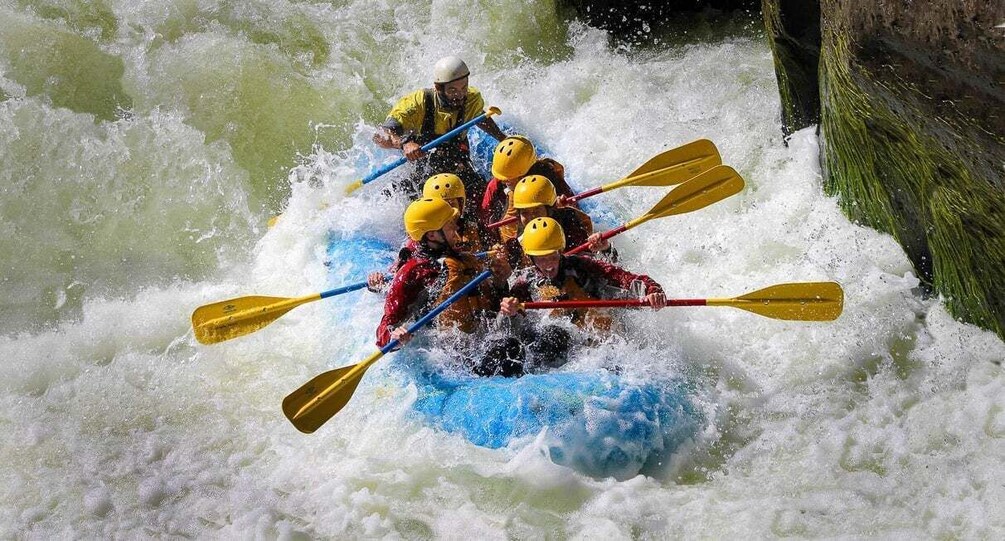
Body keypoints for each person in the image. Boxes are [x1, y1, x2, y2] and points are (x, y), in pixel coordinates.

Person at [375, 197, 524, 376]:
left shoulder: (465, 258)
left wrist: (501, 282)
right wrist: (395, 336)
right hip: (447, 355)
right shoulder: (411, 273)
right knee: (507, 350)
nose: (456, 229)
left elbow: (490, 305)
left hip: (480, 338)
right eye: (449, 225)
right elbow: (385, 327)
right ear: (432, 235)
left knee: (517, 346)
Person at [500, 218, 666, 336]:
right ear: (531, 258)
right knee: (552, 335)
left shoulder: (583, 266)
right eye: (541, 258)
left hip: (598, 338)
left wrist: (652, 291)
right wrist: (509, 313)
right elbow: (505, 329)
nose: (548, 264)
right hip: (561, 345)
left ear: (560, 250)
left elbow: (628, 278)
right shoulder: (524, 282)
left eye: (552, 256)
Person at [372, 56, 507, 199]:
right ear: (438, 88)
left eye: (463, 88)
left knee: (481, 196)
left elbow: (479, 117)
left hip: (457, 163)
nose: (460, 95)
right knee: (394, 195)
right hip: (424, 169)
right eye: (453, 90)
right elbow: (380, 136)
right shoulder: (416, 103)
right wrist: (405, 144)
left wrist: (502, 138)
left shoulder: (472, 98)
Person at [367, 173, 489, 293]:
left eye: (450, 204)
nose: (445, 212)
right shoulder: (419, 243)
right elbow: (396, 279)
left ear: (461, 204)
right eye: (439, 207)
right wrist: (378, 284)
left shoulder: (476, 227)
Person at [479, 135, 578, 242]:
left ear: (526, 173)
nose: (503, 181)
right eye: (502, 177)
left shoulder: (549, 180)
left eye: (508, 179)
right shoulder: (497, 183)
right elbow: (484, 215)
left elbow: (574, 210)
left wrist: (562, 206)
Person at [508, 175, 615, 260]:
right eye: (525, 212)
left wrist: (605, 249)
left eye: (537, 210)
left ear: (549, 210)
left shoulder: (569, 224)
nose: (532, 217)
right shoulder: (520, 239)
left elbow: (604, 265)